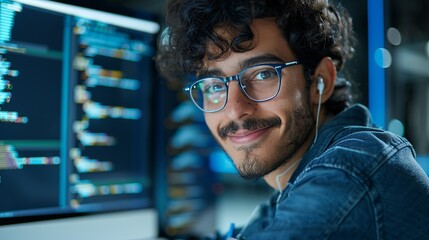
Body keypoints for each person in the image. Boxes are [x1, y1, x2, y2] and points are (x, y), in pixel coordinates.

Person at [156, 0, 429, 239]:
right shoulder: (293, 183)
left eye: (263, 74)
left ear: (320, 80)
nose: (235, 110)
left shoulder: (349, 170)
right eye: (215, 86)